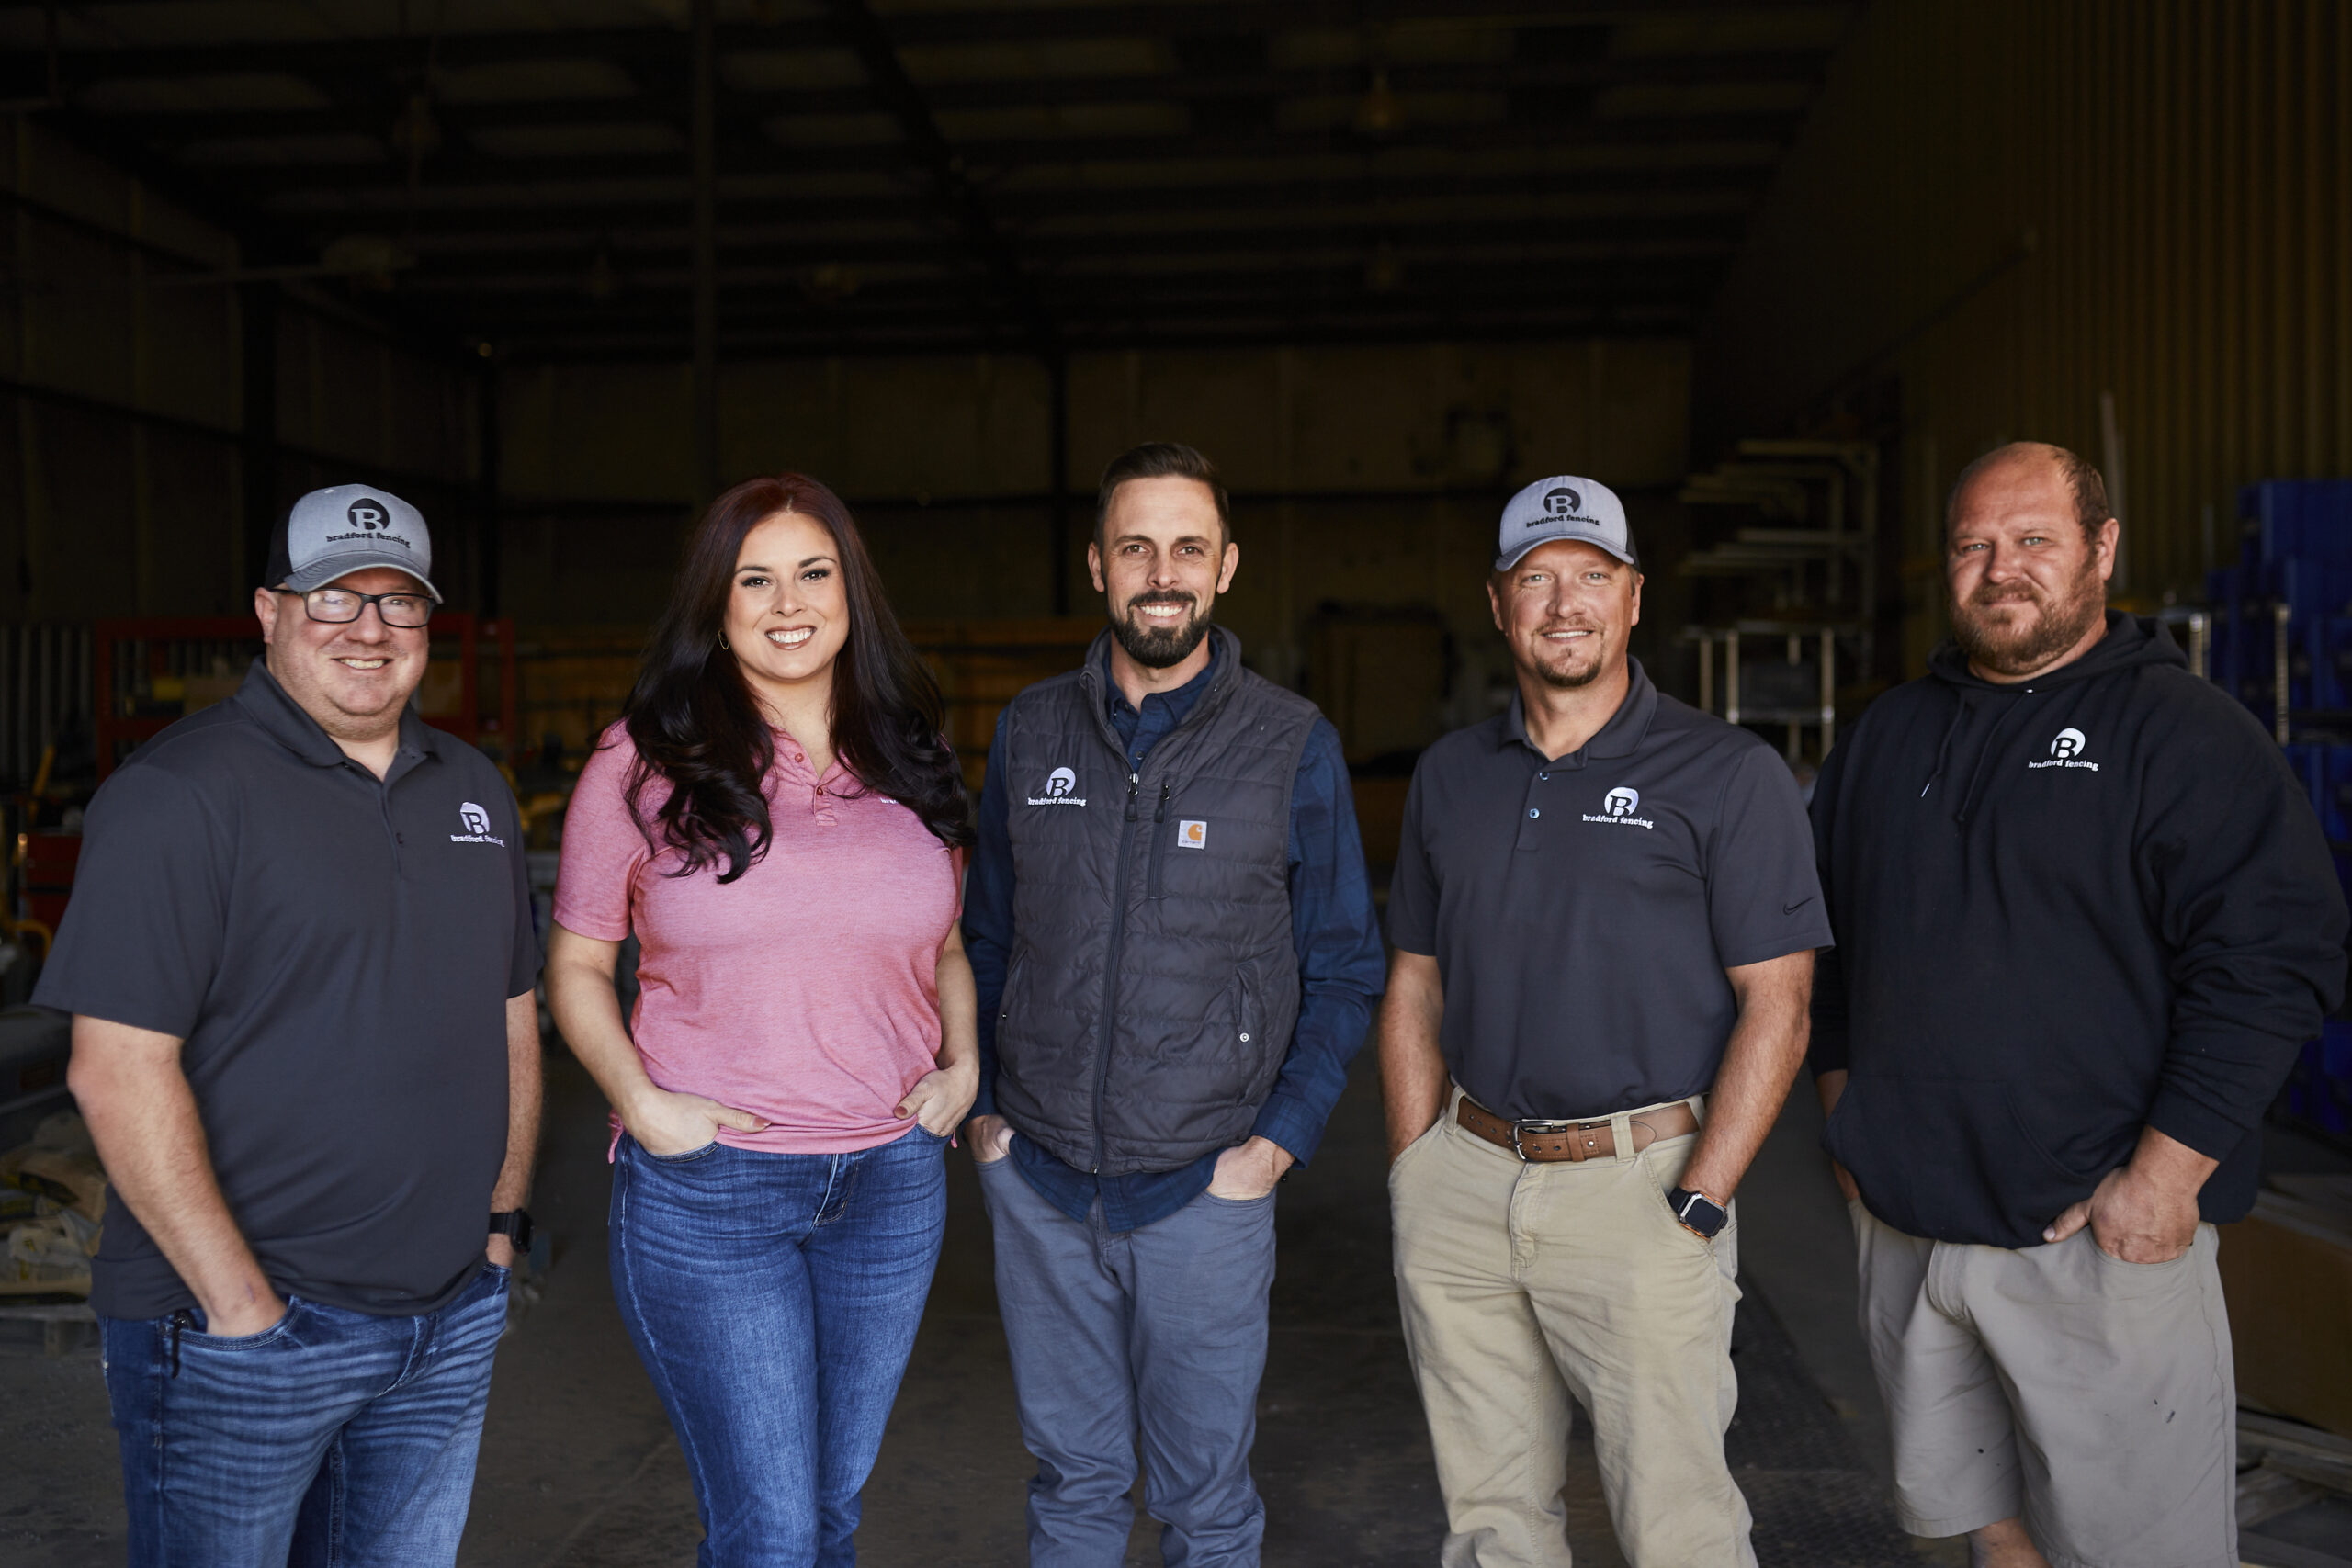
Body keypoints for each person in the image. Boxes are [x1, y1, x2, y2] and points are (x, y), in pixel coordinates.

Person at [1808, 441, 2348, 1568]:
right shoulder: (1887, 738)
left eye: (2032, 541)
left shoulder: (2184, 736)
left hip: (2092, 1240)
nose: (2000, 570)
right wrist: (1845, 1100)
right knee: (1980, 1534)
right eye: (1972, 546)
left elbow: (2275, 960)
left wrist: (2165, 1177)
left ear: (2102, 550)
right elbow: (1829, 940)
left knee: (2135, 1553)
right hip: (1909, 1231)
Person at [39, 485, 540, 1567]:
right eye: (332, 599)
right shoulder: (179, 794)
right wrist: (242, 1306)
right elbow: (115, 1070)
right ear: (268, 611)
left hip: (447, 1322)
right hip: (244, 1335)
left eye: (398, 603)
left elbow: (511, 1021)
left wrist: (501, 1231)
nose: (369, 630)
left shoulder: (474, 788)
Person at [1379, 475, 1827, 1567]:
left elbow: (1782, 1001)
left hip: (1643, 1187)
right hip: (1469, 1179)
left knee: (1677, 1525)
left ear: (1633, 598)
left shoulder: (1726, 774)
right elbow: (1412, 985)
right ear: (1498, 603)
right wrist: (1414, 1172)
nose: (1563, 601)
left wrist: (1702, 1200)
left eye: (1591, 575)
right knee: (1489, 1519)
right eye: (1537, 577)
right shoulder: (1449, 777)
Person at [962, 441, 1385, 1566]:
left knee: (1205, 1502)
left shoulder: (1292, 743)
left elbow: (1345, 965)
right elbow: (986, 937)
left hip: (1204, 1187)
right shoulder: (1030, 731)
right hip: (1041, 1179)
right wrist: (987, 1118)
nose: (1162, 571)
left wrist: (1274, 1147)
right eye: (1136, 546)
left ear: (1227, 567)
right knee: (1072, 1483)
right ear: (1096, 565)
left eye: (1187, 548)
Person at [546, 473, 977, 1568]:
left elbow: (946, 945)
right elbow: (578, 966)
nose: (789, 603)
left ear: (851, 593)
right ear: (717, 606)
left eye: (814, 573)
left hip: (888, 1183)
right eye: (756, 579)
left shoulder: (909, 753)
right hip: (715, 1193)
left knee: (825, 1515)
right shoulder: (642, 762)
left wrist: (964, 1066)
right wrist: (640, 1105)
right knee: (772, 1534)